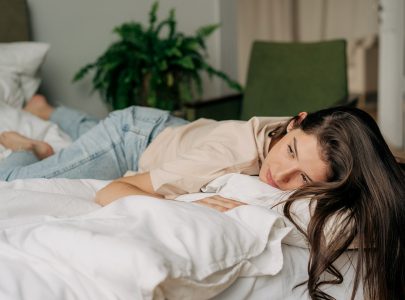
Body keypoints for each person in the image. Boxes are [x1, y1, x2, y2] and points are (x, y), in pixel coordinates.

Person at [1, 95, 404, 299]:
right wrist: (176, 205)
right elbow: (115, 190)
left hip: (177, 130)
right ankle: (26, 143)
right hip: (132, 138)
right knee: (12, 175)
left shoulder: (310, 135)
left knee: (84, 132)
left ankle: (50, 109)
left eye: (303, 178)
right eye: (290, 151)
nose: (279, 176)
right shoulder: (228, 155)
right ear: (295, 121)